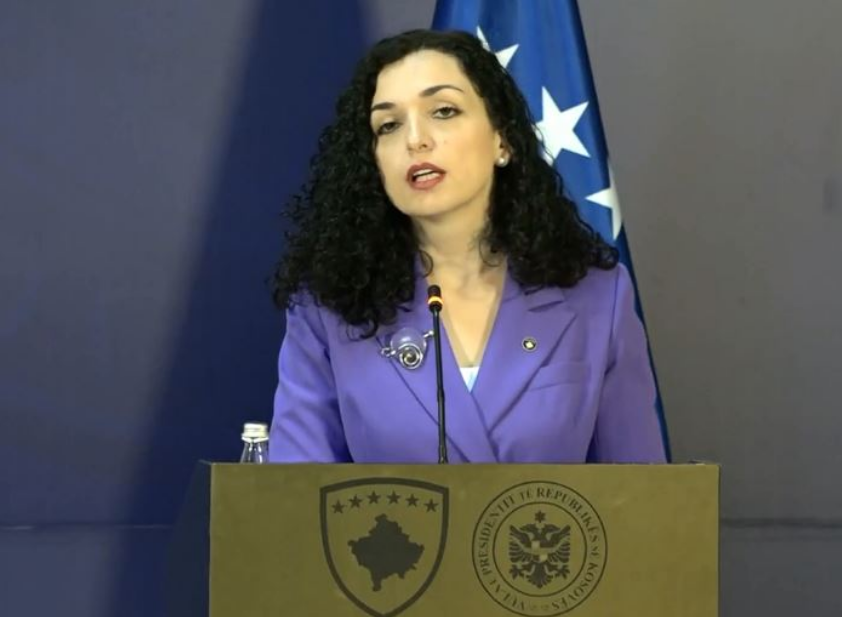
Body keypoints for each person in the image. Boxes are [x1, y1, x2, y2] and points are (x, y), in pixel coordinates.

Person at [268, 29, 665, 464]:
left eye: (444, 111)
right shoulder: (326, 306)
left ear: (502, 140)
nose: (415, 139)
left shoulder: (598, 296)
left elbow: (640, 494)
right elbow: (297, 495)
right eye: (389, 125)